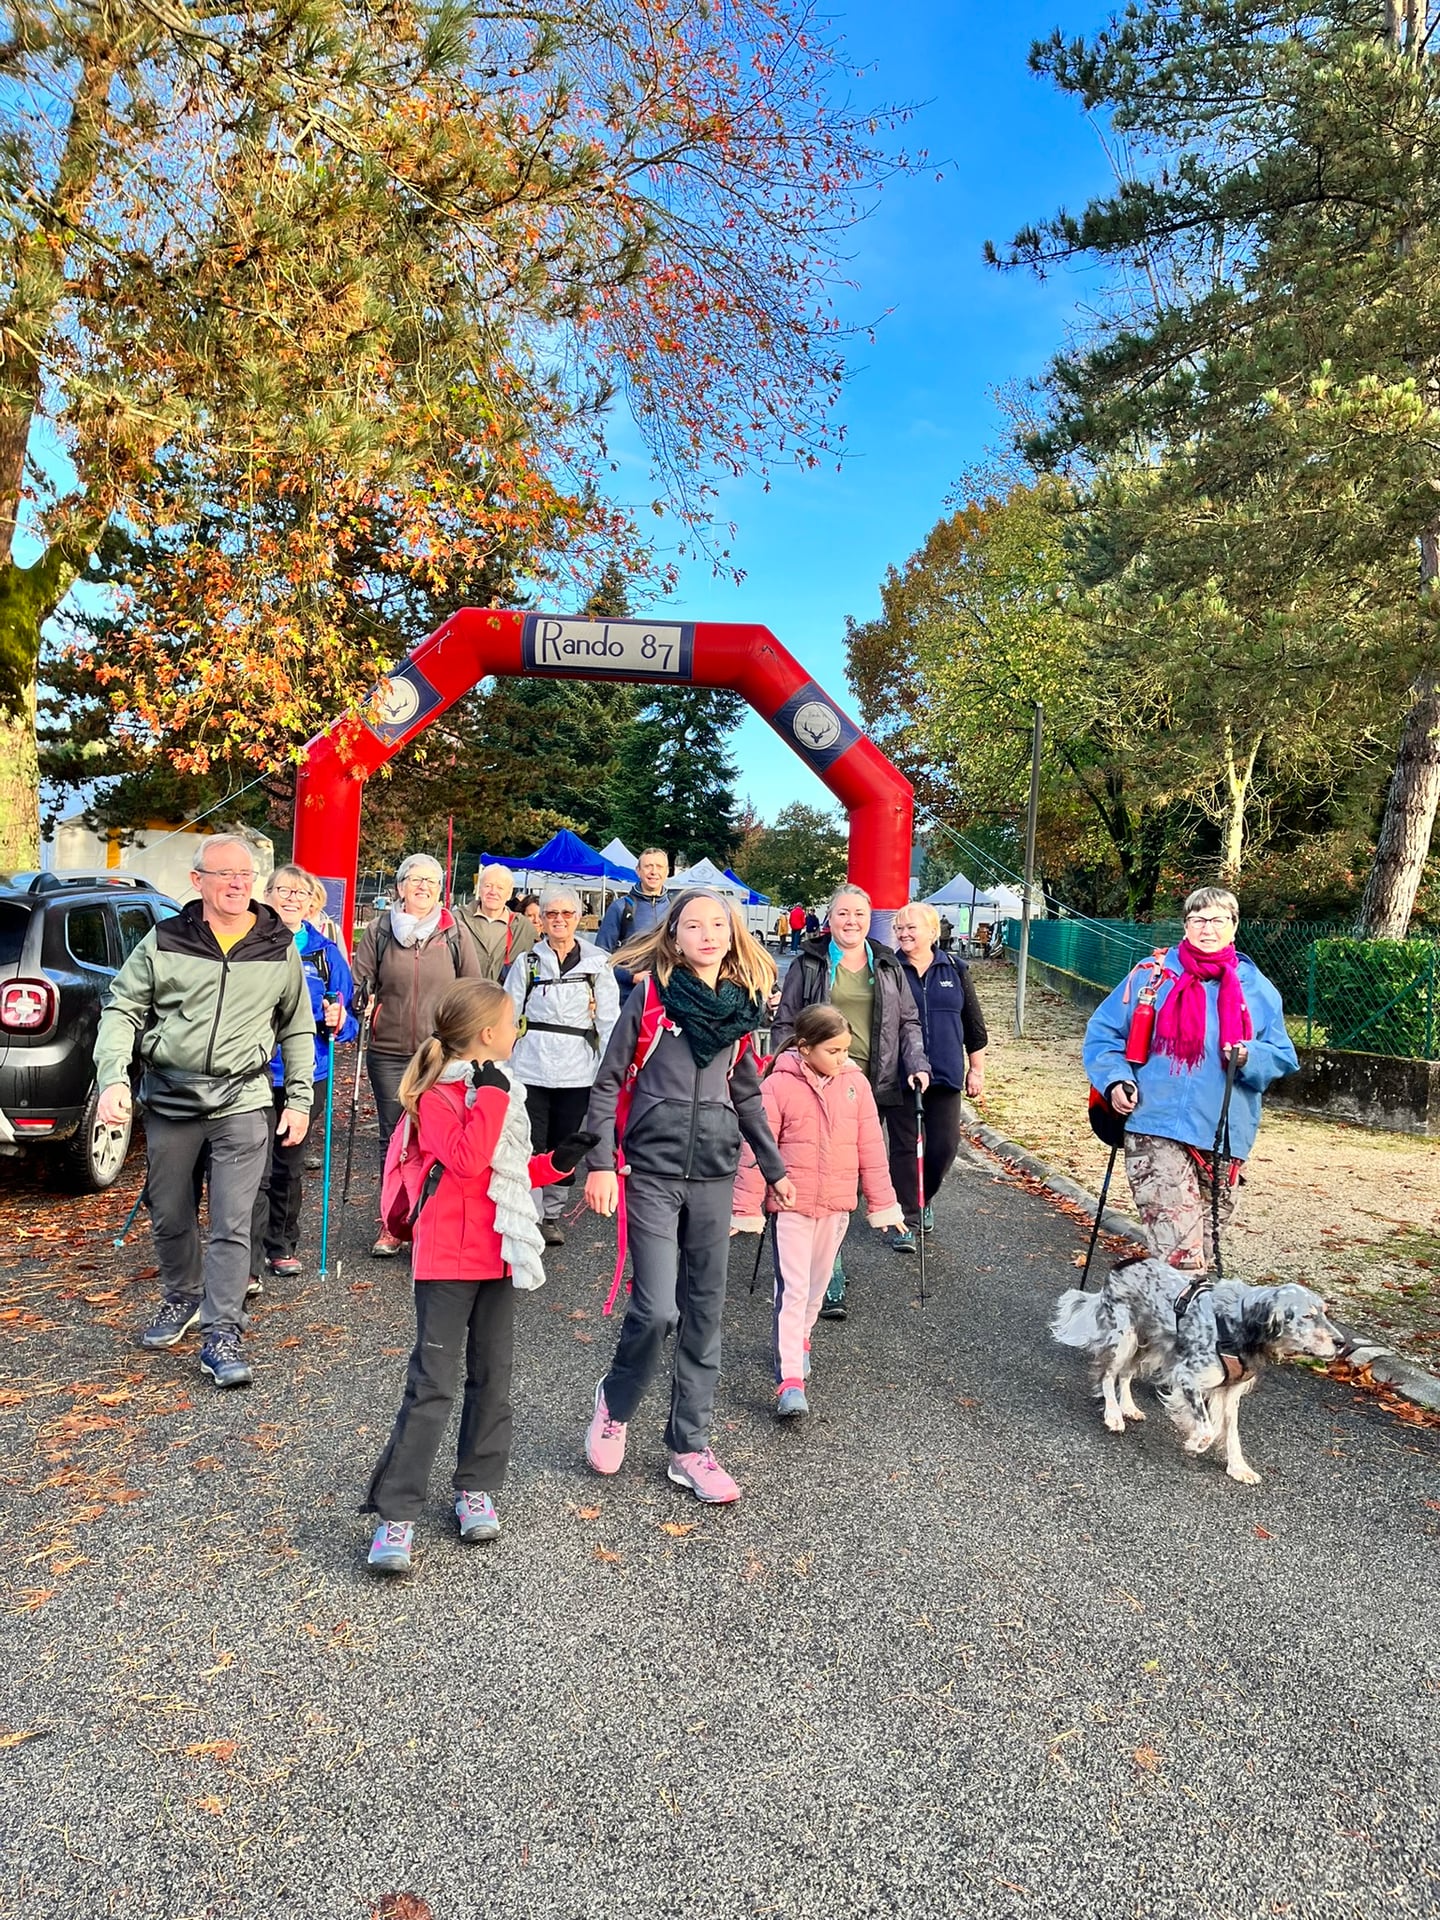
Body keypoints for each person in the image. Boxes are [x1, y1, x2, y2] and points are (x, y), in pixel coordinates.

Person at [363, 981, 596, 1575]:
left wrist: (557, 1162)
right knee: (433, 1385)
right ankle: (397, 1514)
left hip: (496, 1251)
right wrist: (488, 1094)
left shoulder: (502, 1090)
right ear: (488, 1035)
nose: (518, 1028)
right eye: (513, 1020)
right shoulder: (436, 1094)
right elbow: (466, 1160)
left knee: (493, 1378)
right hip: (446, 1256)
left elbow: (506, 1171)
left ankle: (475, 1486)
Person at [582, 890, 794, 1504]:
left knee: (704, 1314)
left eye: (718, 925)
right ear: (673, 934)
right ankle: (615, 1403)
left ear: (733, 935)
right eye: (693, 924)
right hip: (650, 1172)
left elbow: (748, 1093)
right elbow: (608, 1082)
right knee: (656, 1310)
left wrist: (774, 1168)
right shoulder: (650, 997)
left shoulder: (743, 1009)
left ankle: (689, 1447)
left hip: (714, 1175)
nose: (707, 934)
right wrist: (599, 1164)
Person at [93, 837, 315, 1389]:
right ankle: (184, 1295)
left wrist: (301, 1098)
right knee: (170, 1212)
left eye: (247, 874)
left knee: (233, 1220)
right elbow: (122, 1007)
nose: (239, 883)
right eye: (226, 874)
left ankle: (222, 1329)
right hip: (171, 1097)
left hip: (244, 1098)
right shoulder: (164, 939)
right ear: (198, 882)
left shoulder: (276, 944)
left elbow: (296, 1024)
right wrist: (113, 1075)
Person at [1082, 887, 1299, 1273]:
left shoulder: (1258, 989)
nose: (1207, 928)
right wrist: (1116, 1080)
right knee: (1182, 1255)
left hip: (1224, 1135)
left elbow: (1282, 1056)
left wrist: (1252, 1056)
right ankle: (1176, 1329)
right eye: (1197, 919)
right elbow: (1104, 1033)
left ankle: (1159, 1321)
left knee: (1208, 1255)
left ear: (1234, 926)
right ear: (1185, 925)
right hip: (1154, 1123)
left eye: (1217, 920)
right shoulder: (1153, 976)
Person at [731, 1005, 904, 1419]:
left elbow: (871, 1150)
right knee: (791, 1288)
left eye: (846, 1050)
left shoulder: (855, 1085)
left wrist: (883, 1205)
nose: (842, 1058)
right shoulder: (777, 1085)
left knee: (817, 1285)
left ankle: (802, 1338)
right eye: (833, 1050)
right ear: (805, 1048)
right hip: (791, 1204)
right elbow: (757, 1147)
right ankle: (790, 1379)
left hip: (836, 1203)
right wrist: (744, 1207)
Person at [770, 883, 930, 1314]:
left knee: (848, 1173)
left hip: (868, 1083)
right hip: (814, 1081)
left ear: (869, 918)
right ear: (830, 918)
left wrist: (917, 1064)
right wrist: (782, 1069)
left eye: (859, 913)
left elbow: (909, 1022)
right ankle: (831, 1269)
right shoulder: (809, 962)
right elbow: (786, 1021)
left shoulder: (888, 964)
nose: (851, 921)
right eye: (843, 913)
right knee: (818, 1170)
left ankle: (831, 1252)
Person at [351, 853, 482, 1257]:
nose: (422, 887)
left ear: (439, 889)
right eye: (415, 880)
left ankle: (432, 1221)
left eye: (430, 881)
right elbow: (360, 982)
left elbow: (474, 988)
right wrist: (358, 1001)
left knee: (438, 1136)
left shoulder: (454, 931)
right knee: (394, 1137)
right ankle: (393, 1221)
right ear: (400, 886)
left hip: (440, 1053)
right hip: (389, 1050)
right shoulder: (379, 930)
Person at [248, 865, 358, 1287]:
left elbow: (348, 1024)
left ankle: (281, 1245)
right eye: (283, 890)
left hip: (308, 1071)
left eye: (301, 893)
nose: (291, 898)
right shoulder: (250, 940)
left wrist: (339, 1018)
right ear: (268, 895)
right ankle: (248, 1252)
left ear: (314, 902)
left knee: (288, 1164)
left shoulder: (325, 953)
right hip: (252, 1070)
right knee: (250, 1165)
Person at [503, 886, 620, 1247]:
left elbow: (609, 1021)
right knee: (530, 1142)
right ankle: (530, 1214)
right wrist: (502, 1066)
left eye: (566, 914)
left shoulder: (598, 964)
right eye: (552, 914)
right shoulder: (527, 963)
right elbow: (508, 1014)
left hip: (577, 1071)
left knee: (566, 1143)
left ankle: (552, 1214)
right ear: (542, 919)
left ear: (577, 917)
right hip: (530, 1067)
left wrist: (607, 1070)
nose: (559, 920)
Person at [889, 902, 988, 1237]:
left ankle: (923, 1197)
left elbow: (974, 1025)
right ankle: (907, 1219)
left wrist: (976, 1070)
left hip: (945, 1074)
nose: (903, 933)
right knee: (905, 1148)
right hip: (901, 1075)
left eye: (910, 927)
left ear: (933, 932)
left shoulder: (955, 969)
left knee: (943, 1147)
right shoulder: (889, 969)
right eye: (899, 928)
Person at [595, 847, 671, 989]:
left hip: (667, 995)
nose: (654, 872)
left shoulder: (676, 909)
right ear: (638, 871)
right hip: (629, 996)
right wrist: (631, 977)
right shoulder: (620, 907)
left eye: (659, 867)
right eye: (648, 866)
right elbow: (600, 956)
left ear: (667, 872)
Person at [458, 863, 537, 984]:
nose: (493, 892)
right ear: (479, 889)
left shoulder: (523, 927)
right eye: (488, 885)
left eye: (500, 887)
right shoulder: (457, 920)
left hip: (502, 999)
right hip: (463, 998)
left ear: (509, 893)